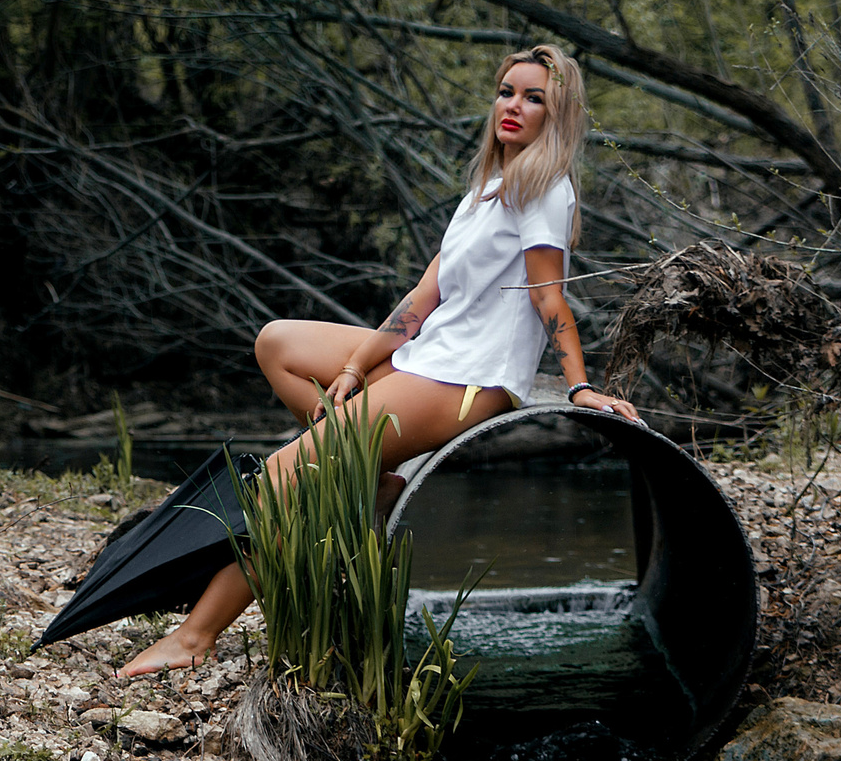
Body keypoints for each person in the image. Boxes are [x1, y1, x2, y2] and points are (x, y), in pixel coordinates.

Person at [116, 42, 640, 679]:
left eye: (536, 98)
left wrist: (581, 388)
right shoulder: (486, 189)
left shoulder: (543, 189)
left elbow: (550, 299)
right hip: (428, 355)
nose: (514, 106)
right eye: (507, 90)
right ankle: (369, 475)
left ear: (557, 116)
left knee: (287, 483)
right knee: (278, 342)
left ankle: (196, 635)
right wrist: (354, 368)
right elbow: (420, 301)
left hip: (465, 382)